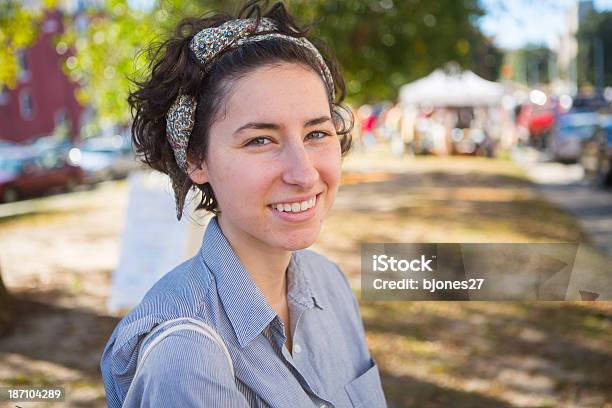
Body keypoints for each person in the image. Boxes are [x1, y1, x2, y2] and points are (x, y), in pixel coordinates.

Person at [100, 1, 387, 407]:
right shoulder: (186, 358)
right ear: (196, 160)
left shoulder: (332, 284)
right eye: (260, 140)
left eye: (316, 133)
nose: (304, 174)